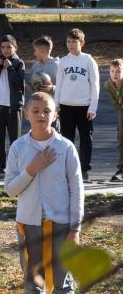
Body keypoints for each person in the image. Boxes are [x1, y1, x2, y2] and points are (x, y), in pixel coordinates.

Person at [4, 92, 83, 294]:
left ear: (55, 114)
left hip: (60, 226)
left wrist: (75, 227)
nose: (41, 115)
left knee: (62, 284)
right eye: (36, 111)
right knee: (33, 285)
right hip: (29, 225)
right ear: (27, 115)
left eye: (47, 110)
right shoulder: (19, 148)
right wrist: (32, 169)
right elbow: (9, 189)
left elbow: (77, 189)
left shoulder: (65, 148)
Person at [54, 28, 99, 182]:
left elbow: (95, 85)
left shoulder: (88, 60)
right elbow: (59, 84)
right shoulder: (63, 61)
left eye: (74, 41)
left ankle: (84, 169)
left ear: (82, 43)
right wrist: (56, 105)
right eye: (68, 42)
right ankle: (68, 169)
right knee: (67, 140)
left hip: (84, 107)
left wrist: (93, 107)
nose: (71, 45)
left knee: (86, 138)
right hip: (66, 106)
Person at [0, 35, 25, 175]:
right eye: (3, 47)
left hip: (13, 108)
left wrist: (10, 69)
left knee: (15, 140)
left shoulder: (18, 63)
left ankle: (15, 167)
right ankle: (0, 165)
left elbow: (19, 83)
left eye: (9, 47)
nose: (6, 50)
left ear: (15, 47)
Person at [105, 59, 123, 182]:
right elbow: (115, 103)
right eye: (112, 71)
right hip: (122, 112)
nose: (115, 74)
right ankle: (121, 169)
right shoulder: (108, 85)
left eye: (118, 71)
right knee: (121, 139)